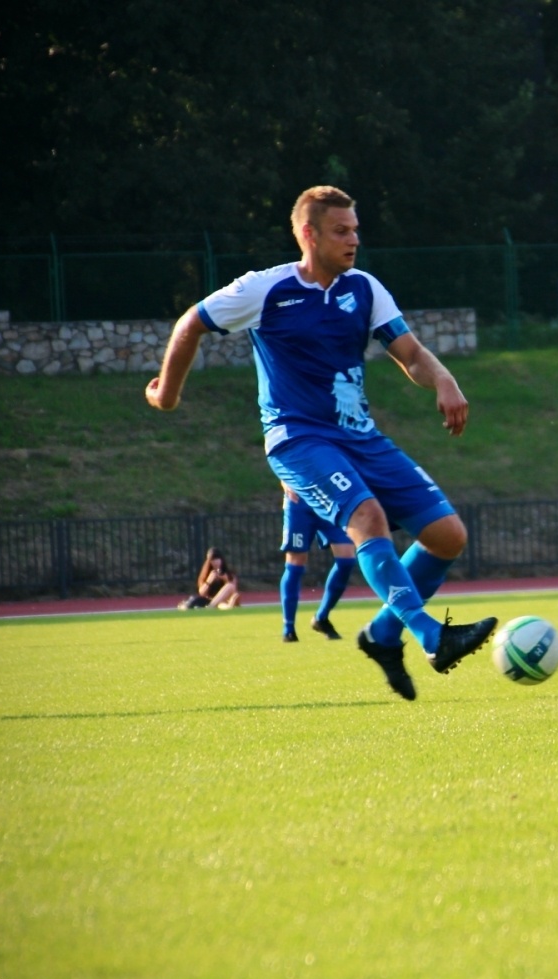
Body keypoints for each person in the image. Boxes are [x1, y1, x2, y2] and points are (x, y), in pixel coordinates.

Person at [145, 185, 495, 700]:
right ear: (308, 234)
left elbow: (412, 353)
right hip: (298, 438)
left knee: (448, 536)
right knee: (368, 520)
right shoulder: (264, 289)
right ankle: (430, 637)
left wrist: (444, 381)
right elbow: (191, 323)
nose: (353, 239)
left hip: (361, 438)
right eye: (341, 231)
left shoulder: (365, 289)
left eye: (355, 229)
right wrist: (167, 393)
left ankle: (381, 635)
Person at [278, 482, 358, 642]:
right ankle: (289, 628)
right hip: (299, 503)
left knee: (347, 559)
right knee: (295, 563)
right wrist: (284, 479)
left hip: (328, 500)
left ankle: (321, 617)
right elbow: (275, 457)